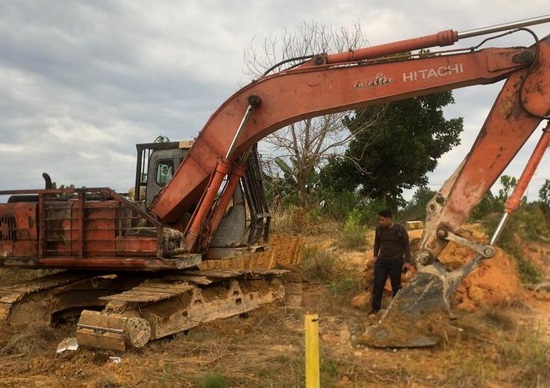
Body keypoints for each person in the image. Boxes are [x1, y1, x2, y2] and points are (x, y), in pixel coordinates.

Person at [369, 209, 412, 315]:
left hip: (396, 261)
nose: (380, 222)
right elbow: (377, 243)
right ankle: (375, 309)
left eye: (382, 220)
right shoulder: (379, 229)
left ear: (389, 219)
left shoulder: (400, 229)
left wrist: (407, 261)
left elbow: (406, 245)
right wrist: (375, 256)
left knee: (396, 286)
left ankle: (396, 310)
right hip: (382, 261)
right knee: (378, 284)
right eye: (379, 220)